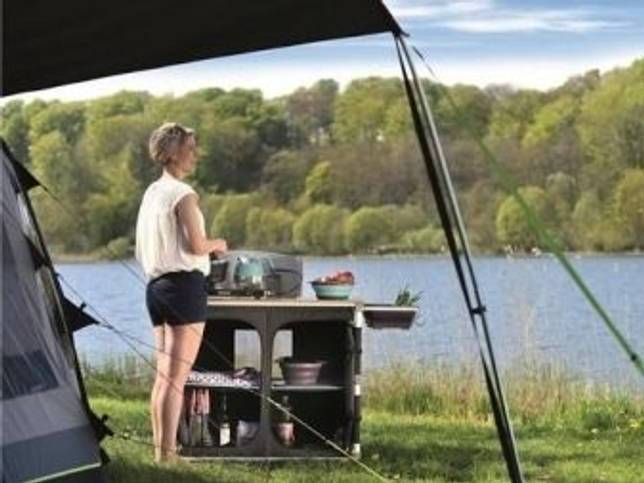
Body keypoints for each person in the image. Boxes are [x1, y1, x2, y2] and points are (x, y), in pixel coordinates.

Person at [135, 122, 227, 462]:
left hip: (156, 289)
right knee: (176, 379)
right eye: (190, 149)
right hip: (184, 290)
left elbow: (143, 247)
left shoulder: (152, 192)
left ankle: (161, 454)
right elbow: (197, 245)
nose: (195, 155)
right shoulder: (183, 194)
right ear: (173, 154)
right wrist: (218, 244)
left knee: (163, 377)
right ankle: (168, 456)